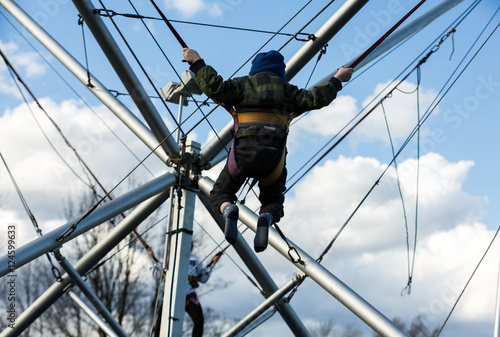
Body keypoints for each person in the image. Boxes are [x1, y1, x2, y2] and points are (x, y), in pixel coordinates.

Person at [183, 48, 353, 252]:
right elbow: (318, 98)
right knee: (273, 200)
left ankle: (228, 209)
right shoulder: (288, 92)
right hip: (273, 162)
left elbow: (214, 86)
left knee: (219, 194)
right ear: (280, 73)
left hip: (241, 159)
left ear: (255, 70)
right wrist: (337, 79)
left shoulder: (241, 86)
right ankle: (265, 217)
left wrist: (197, 62)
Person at [153, 248, 220, 337]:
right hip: (172, 295)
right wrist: (152, 259)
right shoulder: (171, 258)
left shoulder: (194, 260)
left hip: (189, 296)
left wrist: (212, 263)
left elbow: (203, 278)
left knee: (199, 320)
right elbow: (157, 275)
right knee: (161, 321)